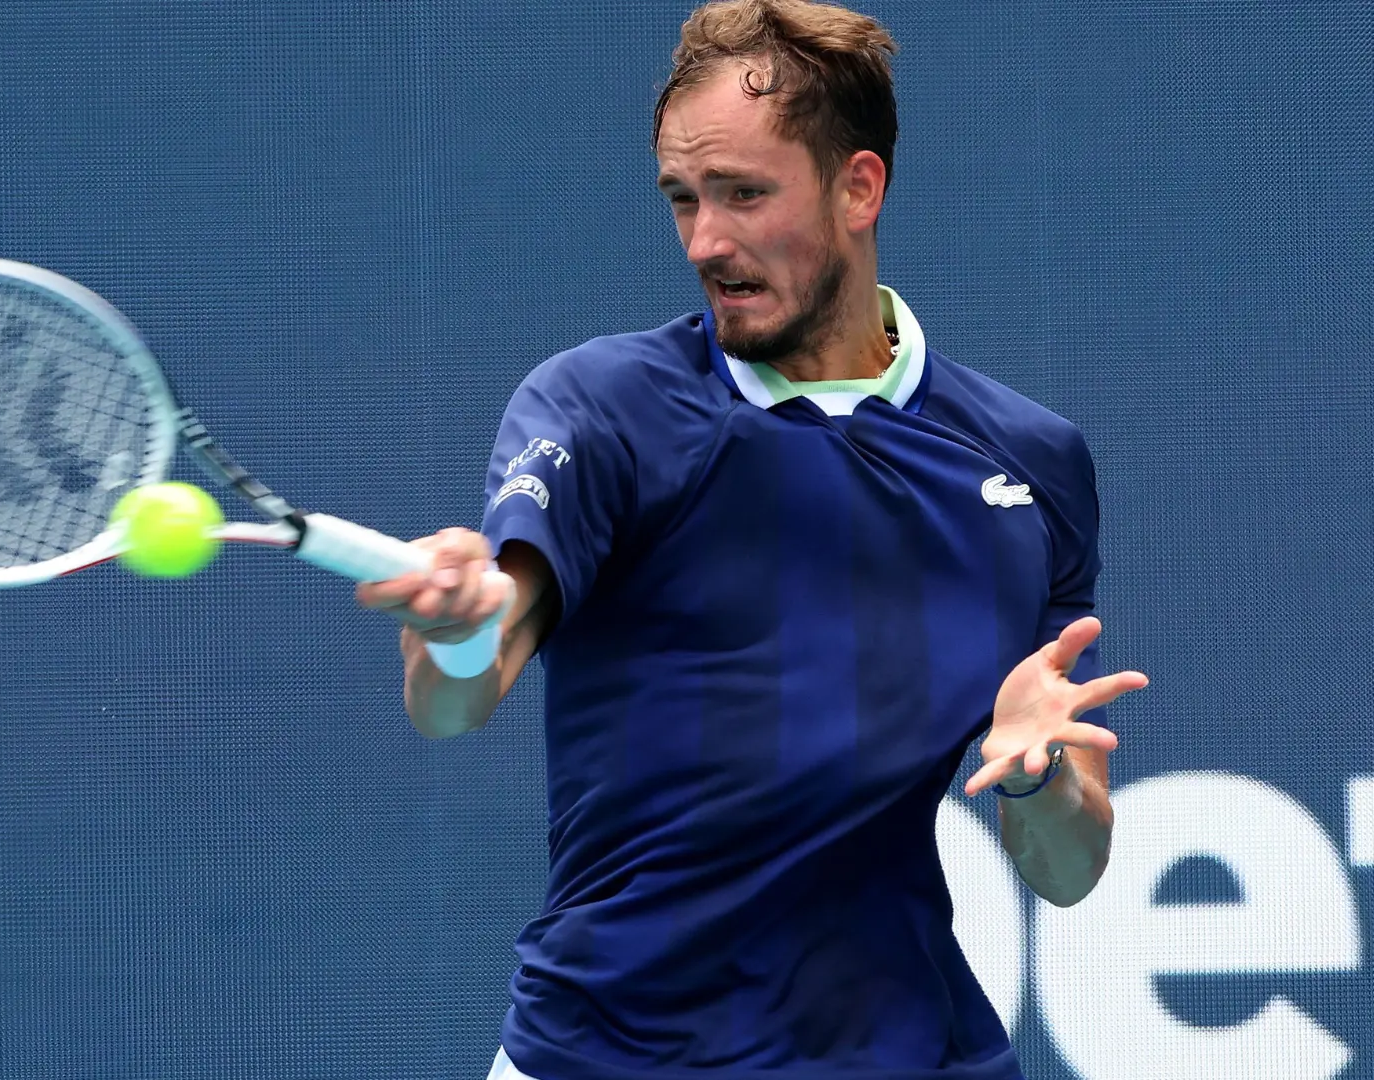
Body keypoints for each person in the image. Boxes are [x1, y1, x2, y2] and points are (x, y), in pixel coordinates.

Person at [357, 2, 1148, 1077]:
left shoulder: (1027, 464)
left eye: (744, 195)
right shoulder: (604, 410)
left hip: (905, 1052)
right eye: (683, 200)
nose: (706, 243)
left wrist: (1034, 771)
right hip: (607, 1054)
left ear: (858, 188)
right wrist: (452, 632)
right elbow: (458, 696)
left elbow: (1066, 867)